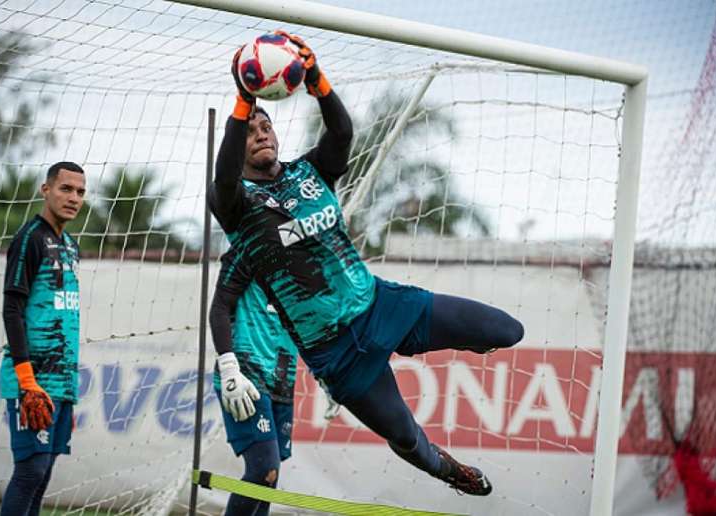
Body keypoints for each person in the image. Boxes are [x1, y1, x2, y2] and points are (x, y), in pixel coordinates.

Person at [209, 31, 524, 498]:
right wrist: (243, 99)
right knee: (405, 436)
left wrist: (316, 79)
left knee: (505, 331)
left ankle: (443, 351)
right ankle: (448, 470)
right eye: (251, 128)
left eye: (266, 125)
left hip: (381, 306)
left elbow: (342, 133)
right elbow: (223, 176)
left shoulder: (309, 172)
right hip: (336, 354)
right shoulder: (235, 203)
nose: (260, 132)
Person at [0, 162, 86, 515]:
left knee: (43, 474)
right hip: (32, 381)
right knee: (30, 471)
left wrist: (68, 389)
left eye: (80, 192)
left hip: (60, 384)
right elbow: (12, 310)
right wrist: (27, 381)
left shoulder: (71, 245)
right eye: (66, 189)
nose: (74, 198)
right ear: (45, 190)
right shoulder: (29, 239)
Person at [210, 248, 298, 516]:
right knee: (264, 470)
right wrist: (228, 367)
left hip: (284, 377)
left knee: (269, 480)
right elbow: (220, 307)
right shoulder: (250, 246)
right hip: (245, 374)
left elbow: (310, 325)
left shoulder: (308, 259)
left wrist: (329, 377)